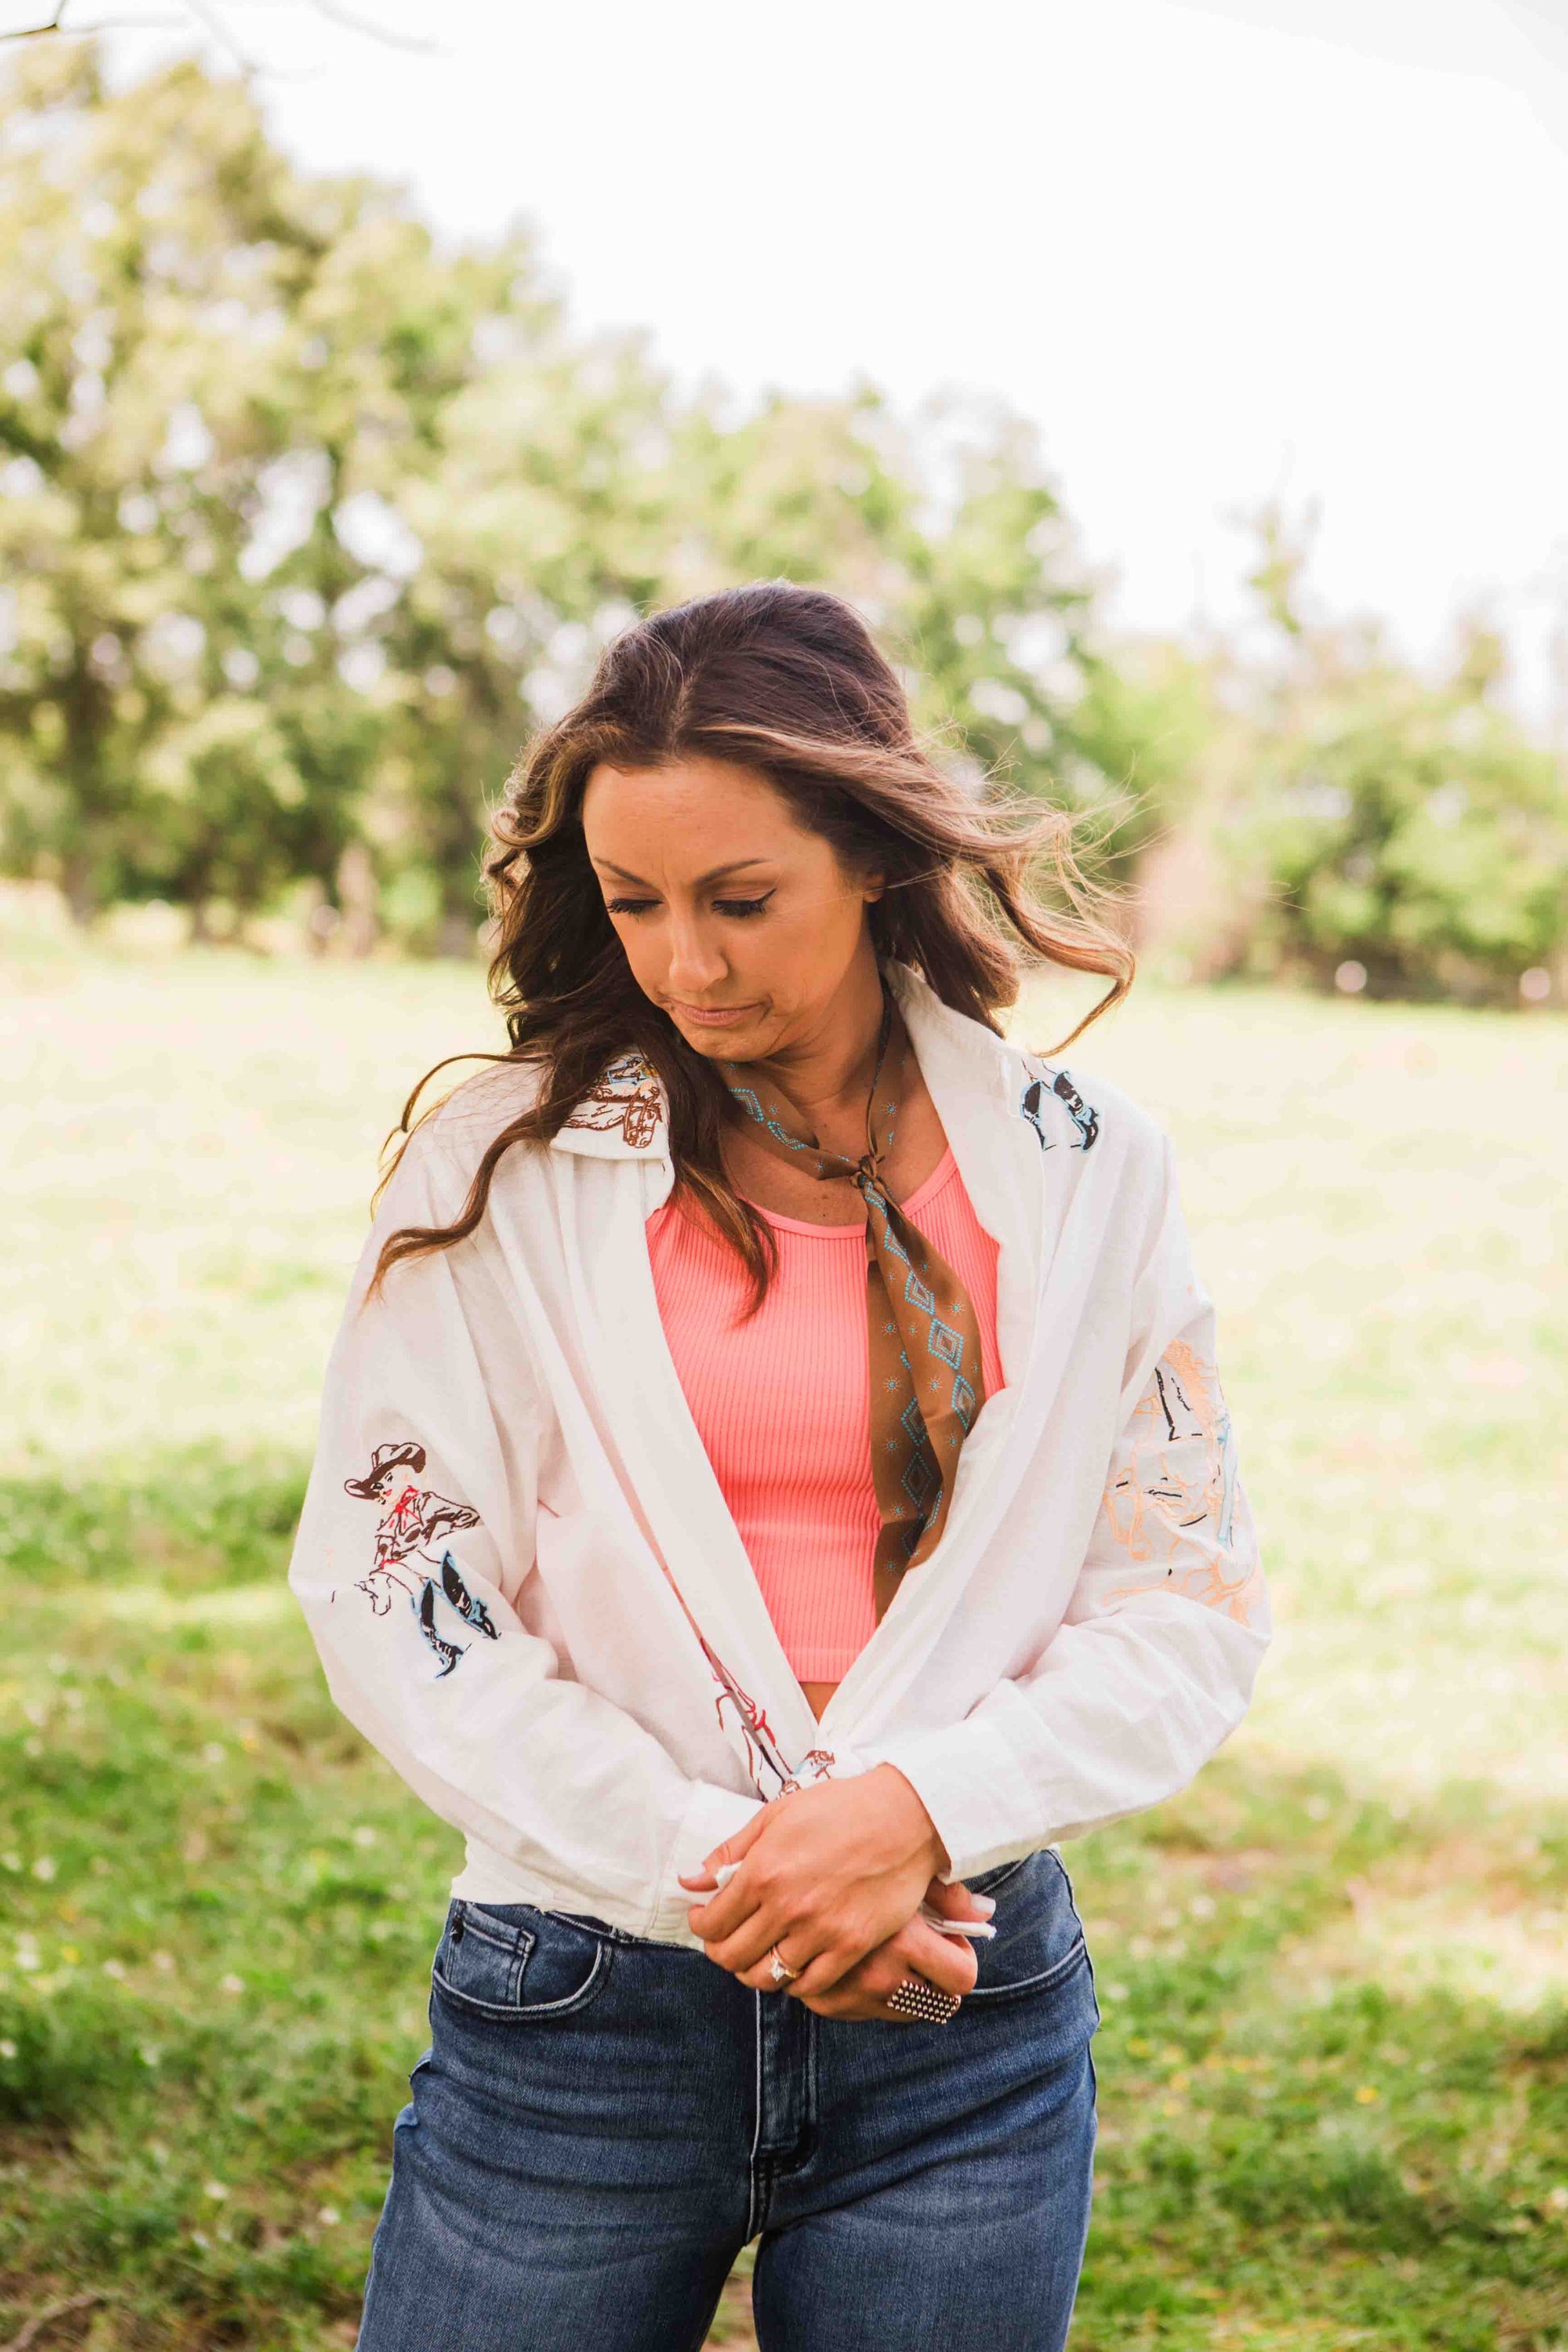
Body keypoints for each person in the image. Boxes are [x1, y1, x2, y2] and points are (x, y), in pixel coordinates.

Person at [286, 579, 1271, 2351]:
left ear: (874, 853)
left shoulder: (1085, 1168)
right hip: (581, 2003)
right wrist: (728, 1868)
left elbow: (1183, 1599)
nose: (686, 965)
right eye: (634, 901)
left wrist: (915, 1812)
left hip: (961, 2015)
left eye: (740, 900)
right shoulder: (503, 1166)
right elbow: (393, 1585)